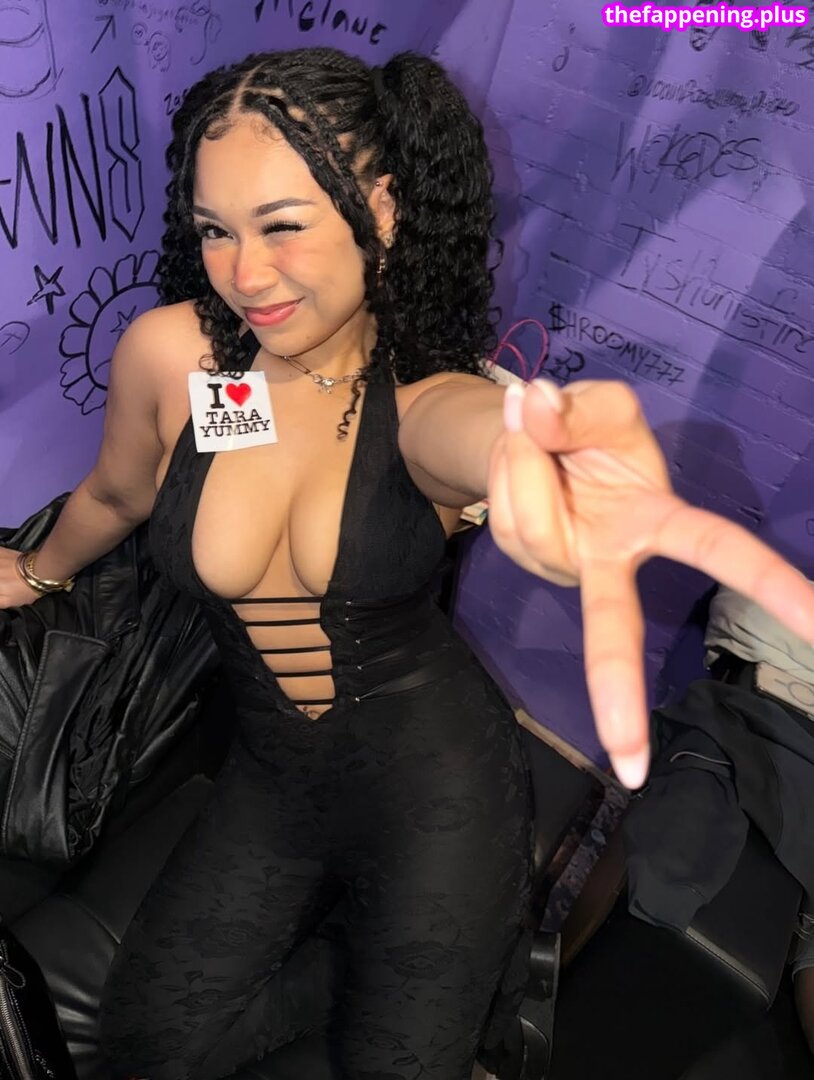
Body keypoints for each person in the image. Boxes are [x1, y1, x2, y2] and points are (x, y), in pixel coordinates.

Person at [0, 45, 812, 1080]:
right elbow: (119, 494)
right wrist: (36, 572)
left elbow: (481, 435)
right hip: (273, 775)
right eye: (215, 229)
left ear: (381, 210)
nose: (245, 274)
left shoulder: (427, 396)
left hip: (437, 792)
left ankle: (447, 973)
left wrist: (544, 466)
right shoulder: (176, 356)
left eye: (283, 224)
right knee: (145, 1044)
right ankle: (397, 969)